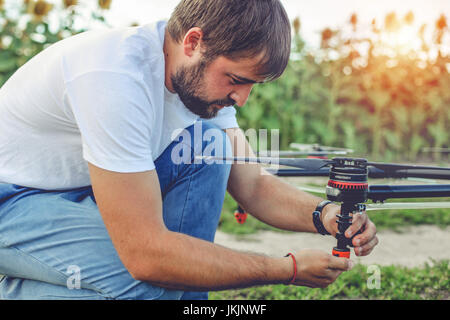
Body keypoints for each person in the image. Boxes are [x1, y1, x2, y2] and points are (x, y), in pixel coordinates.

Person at [0, 0, 378, 300]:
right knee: (147, 278)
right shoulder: (114, 79)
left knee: (210, 148)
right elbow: (145, 256)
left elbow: (254, 184)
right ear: (193, 42)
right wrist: (286, 269)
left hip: (81, 190)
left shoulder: (197, 81)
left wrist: (325, 213)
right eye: (236, 80)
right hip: (13, 201)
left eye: (252, 86)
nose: (241, 100)